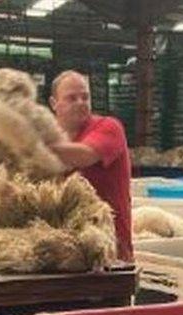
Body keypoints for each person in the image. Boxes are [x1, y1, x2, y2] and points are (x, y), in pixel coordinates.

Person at [48, 70, 133, 263]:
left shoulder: (109, 127)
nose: (80, 102)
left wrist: (30, 144)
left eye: (85, 97)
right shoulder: (49, 137)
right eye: (72, 98)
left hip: (110, 253)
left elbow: (84, 156)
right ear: (54, 103)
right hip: (63, 254)